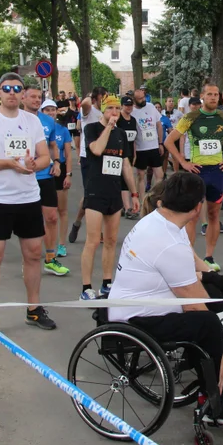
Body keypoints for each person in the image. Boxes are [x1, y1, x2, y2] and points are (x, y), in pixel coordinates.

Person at [110, 173, 223, 425]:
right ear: (198, 208)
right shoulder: (166, 241)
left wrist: (211, 275)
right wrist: (218, 357)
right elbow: (195, 304)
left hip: (147, 300)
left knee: (218, 302)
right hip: (139, 316)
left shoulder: (160, 220)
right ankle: (211, 399)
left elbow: (187, 255)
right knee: (209, 323)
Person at [0, 72, 56, 339]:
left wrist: (33, 166)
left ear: (22, 93)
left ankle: (33, 308)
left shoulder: (32, 121)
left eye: (17, 89)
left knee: (32, 254)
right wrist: (8, 164)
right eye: (6, 88)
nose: (12, 92)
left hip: (28, 198)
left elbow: (45, 157)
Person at [166, 84, 223, 271]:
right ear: (202, 97)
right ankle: (189, 257)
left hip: (217, 171)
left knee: (214, 214)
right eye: (210, 94)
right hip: (197, 171)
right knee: (192, 215)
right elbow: (169, 141)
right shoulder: (191, 117)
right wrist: (183, 163)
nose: (213, 97)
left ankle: (208, 257)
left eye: (216, 94)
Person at [80, 95, 138, 299]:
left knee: (112, 240)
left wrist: (134, 193)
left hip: (114, 192)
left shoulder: (121, 134)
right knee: (93, 240)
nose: (114, 112)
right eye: (110, 108)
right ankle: (86, 287)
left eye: (116, 108)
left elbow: (126, 165)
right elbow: (96, 150)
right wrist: (107, 128)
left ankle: (107, 282)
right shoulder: (92, 129)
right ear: (103, 111)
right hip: (96, 191)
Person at [34, 95, 70, 275]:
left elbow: (53, 144)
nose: (33, 99)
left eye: (36, 96)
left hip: (46, 175)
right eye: (30, 96)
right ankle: (30, 261)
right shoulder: (19, 118)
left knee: (52, 217)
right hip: (25, 178)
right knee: (31, 220)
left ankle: (50, 258)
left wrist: (56, 162)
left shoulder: (48, 122)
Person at [67, 86, 108, 244]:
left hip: (105, 157)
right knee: (91, 195)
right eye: (104, 97)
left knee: (103, 194)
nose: (106, 100)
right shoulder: (89, 112)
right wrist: (91, 96)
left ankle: (100, 231)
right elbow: (84, 103)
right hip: (88, 158)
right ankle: (78, 223)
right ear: (96, 98)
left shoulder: (107, 113)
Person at [45, 100, 73, 261]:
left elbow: (68, 154)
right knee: (47, 211)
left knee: (61, 210)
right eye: (47, 110)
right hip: (43, 170)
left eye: (53, 110)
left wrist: (68, 174)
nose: (50, 113)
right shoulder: (39, 127)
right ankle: (49, 244)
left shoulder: (63, 131)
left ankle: (61, 244)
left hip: (60, 170)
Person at [131, 87, 166, 194]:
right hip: (141, 148)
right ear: (134, 100)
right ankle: (141, 202)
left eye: (144, 97)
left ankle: (155, 197)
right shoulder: (132, 111)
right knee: (141, 175)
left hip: (154, 146)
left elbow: (159, 125)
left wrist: (160, 143)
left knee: (159, 175)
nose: (143, 100)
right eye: (140, 99)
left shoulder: (150, 106)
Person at [117, 96, 141, 219]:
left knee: (127, 179)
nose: (129, 107)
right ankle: (126, 207)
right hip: (118, 153)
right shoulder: (118, 119)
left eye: (130, 105)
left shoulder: (133, 120)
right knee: (121, 180)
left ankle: (125, 207)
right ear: (122, 105)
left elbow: (133, 139)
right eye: (126, 105)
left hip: (129, 153)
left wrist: (135, 152)